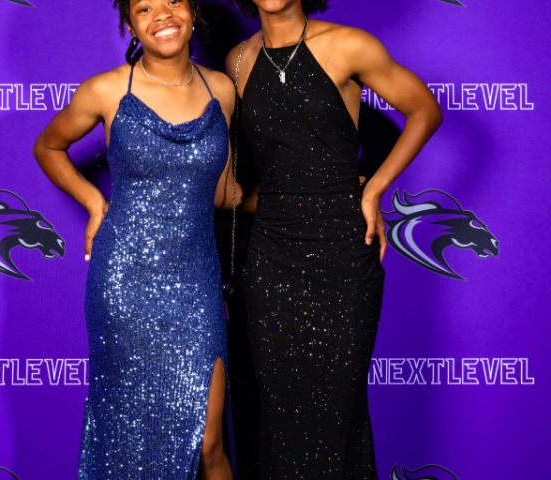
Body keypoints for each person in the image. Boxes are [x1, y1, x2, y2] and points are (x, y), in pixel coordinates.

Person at [225, 0, 442, 477]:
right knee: (280, 415)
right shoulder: (237, 60)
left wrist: (375, 188)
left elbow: (425, 110)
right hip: (272, 258)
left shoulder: (349, 45)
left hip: (342, 252)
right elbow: (250, 174)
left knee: (337, 412)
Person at [33, 0, 238, 477]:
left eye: (173, 1)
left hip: (196, 283)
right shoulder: (106, 90)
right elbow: (48, 146)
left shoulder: (223, 90)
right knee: (128, 438)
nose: (161, 15)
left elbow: (225, 192)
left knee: (208, 442)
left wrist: (315, 193)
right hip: (125, 282)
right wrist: (93, 201)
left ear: (193, 11)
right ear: (130, 24)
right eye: (145, 8)